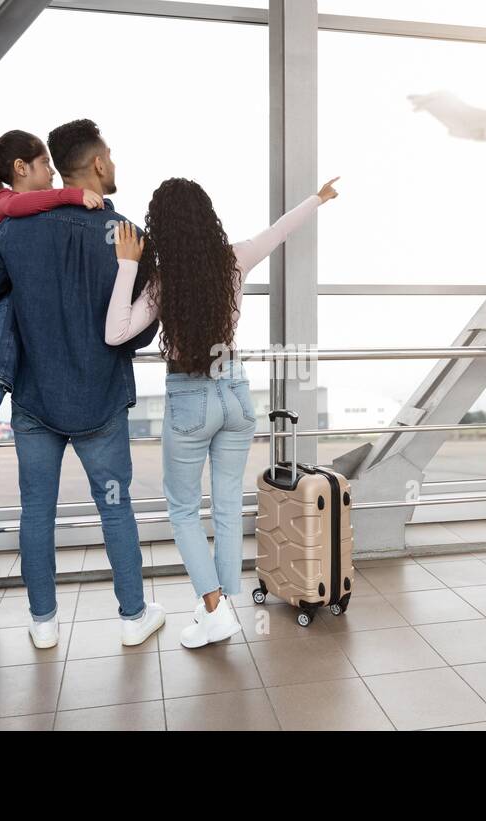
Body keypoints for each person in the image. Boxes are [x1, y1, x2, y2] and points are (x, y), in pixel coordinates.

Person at [106, 175, 339, 648]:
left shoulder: (161, 280)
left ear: (162, 227)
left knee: (184, 509)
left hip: (190, 398)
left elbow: (116, 332)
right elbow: (280, 230)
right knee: (228, 506)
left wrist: (127, 266)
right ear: (206, 217)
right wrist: (317, 197)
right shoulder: (233, 259)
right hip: (234, 391)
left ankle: (214, 610)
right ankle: (221, 606)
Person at [0, 119, 164, 649]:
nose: (114, 165)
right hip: (100, 400)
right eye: (111, 157)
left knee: (37, 513)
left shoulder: (10, 234)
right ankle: (132, 618)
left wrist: (15, 316)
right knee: (114, 507)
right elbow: (138, 336)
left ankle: (43, 623)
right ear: (97, 164)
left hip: (34, 402)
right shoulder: (127, 237)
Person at [0, 129, 103, 488]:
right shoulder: (5, 201)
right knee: (2, 357)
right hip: (2, 304)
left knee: (8, 350)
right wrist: (74, 195)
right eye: (44, 164)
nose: (51, 172)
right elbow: (20, 205)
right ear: (20, 167)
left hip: (22, 307)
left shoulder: (37, 211)